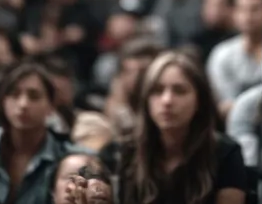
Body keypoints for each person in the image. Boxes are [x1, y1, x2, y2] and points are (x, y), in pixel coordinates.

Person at [105, 51, 248, 204]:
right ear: (146, 99)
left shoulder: (225, 153)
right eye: (157, 91)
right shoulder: (124, 150)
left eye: (179, 91)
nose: (167, 101)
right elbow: (92, 170)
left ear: (199, 100)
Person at [0, 61, 88, 204]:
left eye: (34, 96)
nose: (23, 104)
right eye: (14, 94)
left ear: (51, 106)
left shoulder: (71, 159)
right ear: (3, 101)